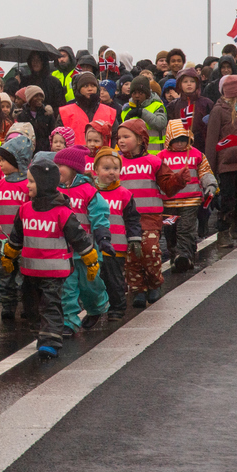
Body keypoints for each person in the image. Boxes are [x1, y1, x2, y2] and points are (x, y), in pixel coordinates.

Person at [0, 153, 98, 360]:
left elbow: (78, 237)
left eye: (32, 181)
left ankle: (50, 341)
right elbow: (16, 238)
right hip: (30, 270)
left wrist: (90, 259)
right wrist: (8, 256)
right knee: (32, 305)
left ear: (43, 183)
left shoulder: (62, 212)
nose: (28, 186)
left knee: (50, 304)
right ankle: (42, 334)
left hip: (55, 270)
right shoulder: (24, 210)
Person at [115, 119, 183, 307]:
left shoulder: (154, 161)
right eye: (119, 137)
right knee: (131, 257)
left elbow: (168, 186)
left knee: (150, 251)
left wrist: (178, 180)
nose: (121, 141)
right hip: (124, 220)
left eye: (126, 137)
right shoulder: (116, 162)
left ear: (140, 139)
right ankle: (137, 289)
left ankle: (154, 285)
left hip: (150, 217)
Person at [53, 147, 112, 330]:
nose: (57, 168)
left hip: (88, 250)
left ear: (73, 167)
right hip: (64, 252)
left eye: (61, 165)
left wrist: (103, 239)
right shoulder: (53, 191)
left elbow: (99, 216)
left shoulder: (89, 191)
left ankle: (96, 308)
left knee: (90, 287)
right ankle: (69, 321)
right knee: (67, 289)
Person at [203, 74, 237, 250]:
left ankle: (236, 221)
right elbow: (211, 140)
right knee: (227, 198)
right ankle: (223, 231)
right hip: (226, 162)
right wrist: (209, 168)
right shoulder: (218, 111)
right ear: (235, 92)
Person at [158, 121, 216, 272]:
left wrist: (210, 185)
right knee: (170, 232)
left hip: (191, 200)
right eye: (176, 140)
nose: (180, 143)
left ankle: (185, 255)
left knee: (186, 229)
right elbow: (156, 177)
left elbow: (205, 172)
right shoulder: (161, 157)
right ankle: (175, 256)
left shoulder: (197, 154)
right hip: (168, 202)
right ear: (169, 139)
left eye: (184, 139)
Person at [92, 148, 139, 318]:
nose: (111, 172)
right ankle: (96, 307)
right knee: (96, 279)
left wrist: (134, 239)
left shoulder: (124, 194)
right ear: (95, 170)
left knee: (114, 279)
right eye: (106, 168)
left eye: (115, 169)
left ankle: (117, 307)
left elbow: (132, 219)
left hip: (116, 246)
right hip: (94, 246)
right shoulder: (90, 193)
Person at [0, 136, 33, 321]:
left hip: (23, 242)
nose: (1, 164)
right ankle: (7, 304)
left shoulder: (27, 186)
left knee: (24, 274)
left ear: (18, 161)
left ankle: (27, 305)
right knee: (3, 274)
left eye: (5, 160)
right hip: (1, 240)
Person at [58, 70, 117, 148]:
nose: (90, 89)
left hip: (102, 157)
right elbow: (58, 139)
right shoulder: (65, 113)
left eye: (93, 86)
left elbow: (115, 138)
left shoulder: (110, 112)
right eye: (85, 86)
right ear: (78, 89)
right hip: (74, 158)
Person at [120, 75, 168, 155]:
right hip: (133, 155)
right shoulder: (126, 109)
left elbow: (160, 123)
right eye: (134, 93)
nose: (137, 95)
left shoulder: (157, 105)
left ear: (147, 94)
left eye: (141, 93)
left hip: (156, 154)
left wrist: (142, 112)